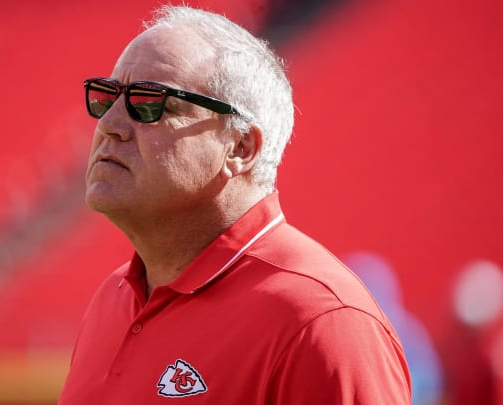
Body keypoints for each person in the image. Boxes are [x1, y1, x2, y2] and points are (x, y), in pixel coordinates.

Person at [59, 5, 410, 404]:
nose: (109, 125)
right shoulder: (113, 297)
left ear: (241, 147)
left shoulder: (320, 321)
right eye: (107, 98)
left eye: (151, 103)